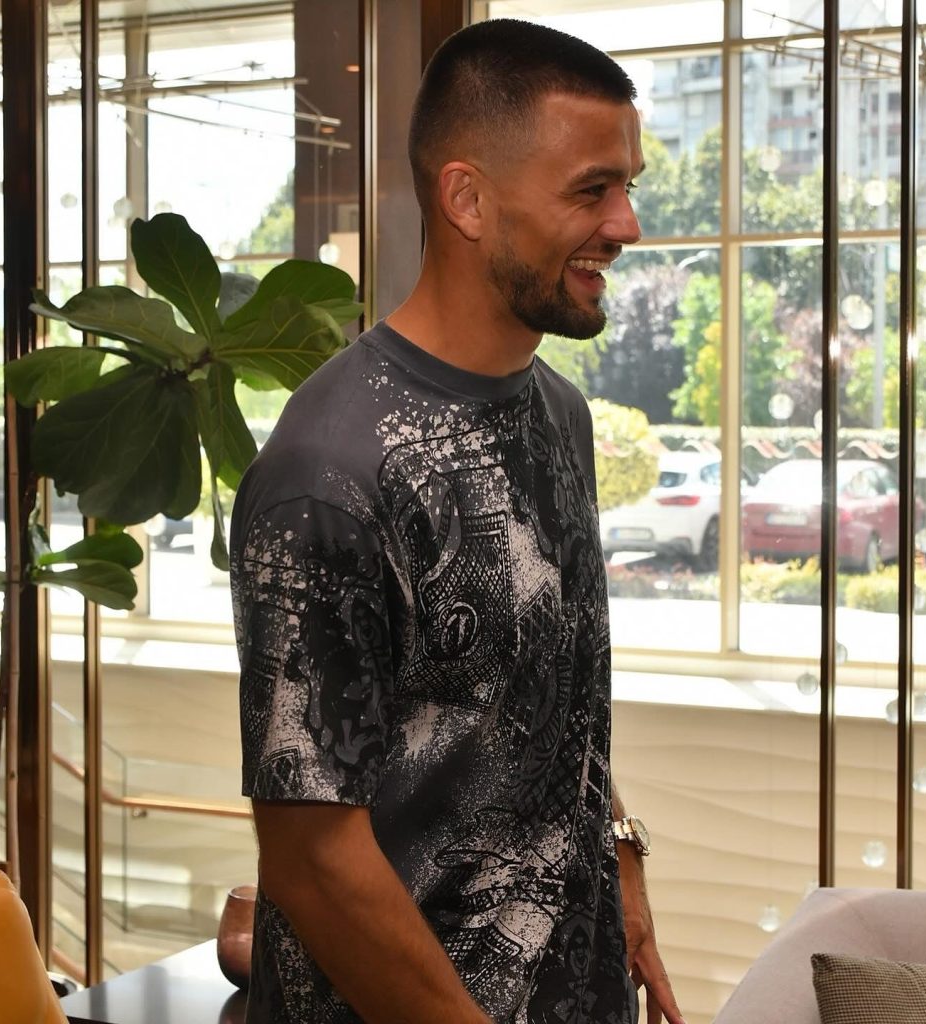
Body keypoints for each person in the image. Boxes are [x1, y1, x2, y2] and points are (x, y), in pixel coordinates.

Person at [230, 17, 683, 1024]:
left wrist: (616, 856)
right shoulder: (327, 471)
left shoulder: (560, 414)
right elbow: (310, 857)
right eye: (591, 190)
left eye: (628, 186)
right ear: (467, 199)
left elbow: (546, 704)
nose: (626, 225)